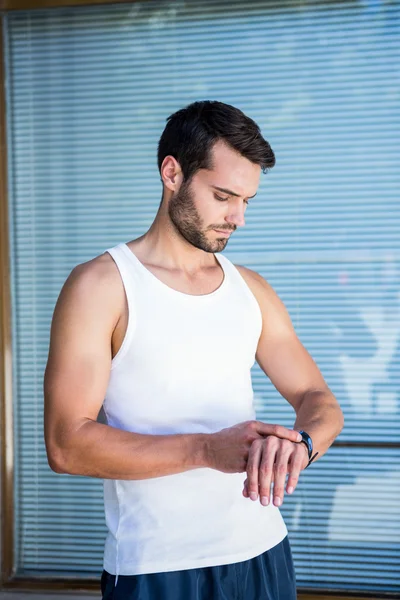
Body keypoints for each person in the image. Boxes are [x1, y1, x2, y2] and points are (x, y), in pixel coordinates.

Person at [44, 100, 344, 600]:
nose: (238, 218)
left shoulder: (252, 290)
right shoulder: (102, 286)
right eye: (223, 195)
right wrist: (206, 449)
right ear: (172, 173)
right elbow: (66, 443)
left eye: (247, 200)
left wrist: (299, 445)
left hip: (263, 551)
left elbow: (319, 399)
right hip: (157, 568)